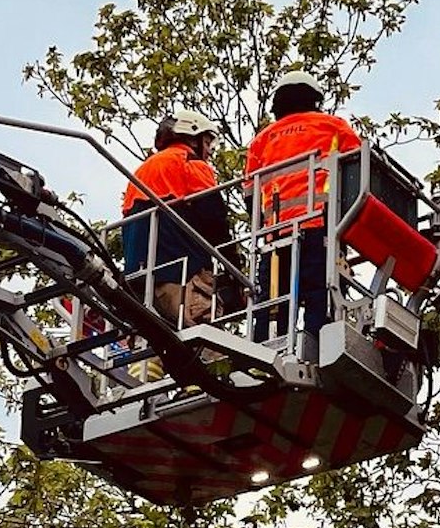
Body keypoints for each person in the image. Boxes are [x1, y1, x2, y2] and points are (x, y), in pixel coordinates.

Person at [244, 70, 360, 346]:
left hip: (276, 238)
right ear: (315, 99)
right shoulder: (334, 127)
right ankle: (318, 349)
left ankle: (265, 353)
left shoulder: (262, 140)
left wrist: (267, 226)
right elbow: (358, 176)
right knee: (322, 295)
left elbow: (250, 196)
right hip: (322, 228)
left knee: (273, 305)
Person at [122, 110, 229, 328]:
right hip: (182, 276)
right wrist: (234, 268)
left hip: (139, 281)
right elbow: (215, 218)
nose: (209, 151)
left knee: (155, 353)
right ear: (193, 137)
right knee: (208, 351)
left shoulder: (142, 170)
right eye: (207, 142)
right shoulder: (190, 162)